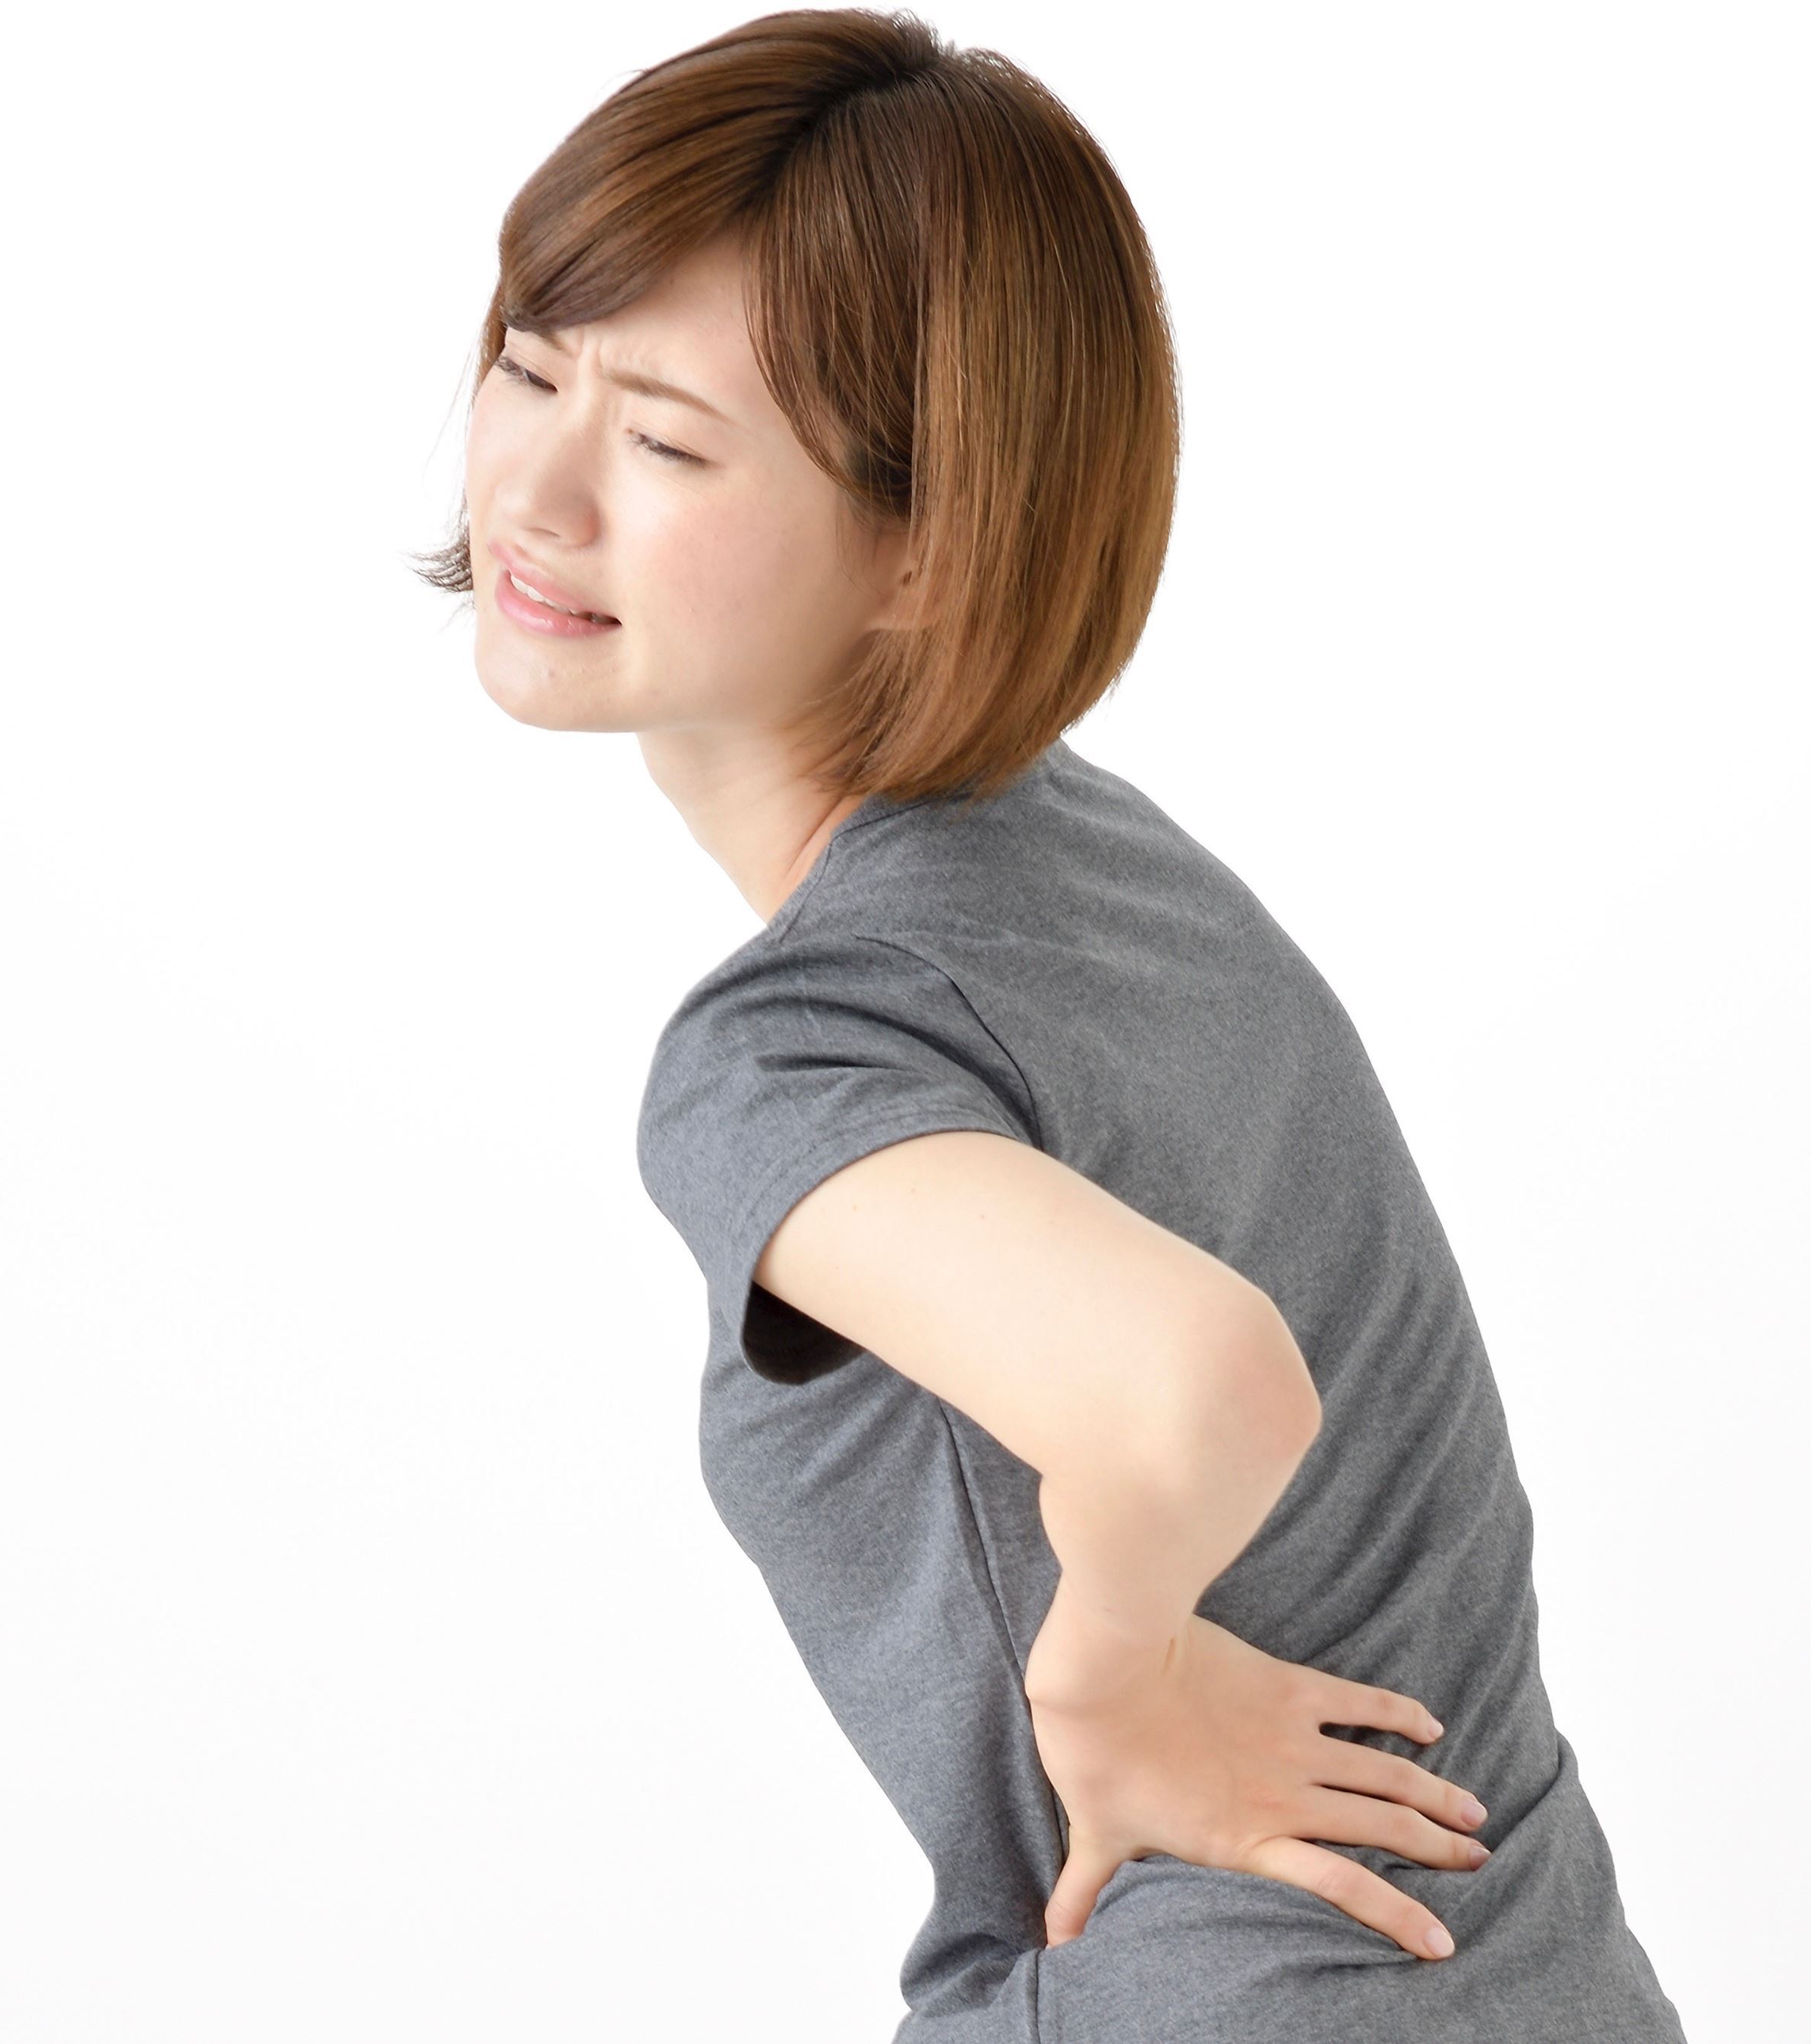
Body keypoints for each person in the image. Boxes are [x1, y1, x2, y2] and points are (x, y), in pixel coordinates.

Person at [417, 11, 1688, 2038]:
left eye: (665, 440)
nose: (536, 490)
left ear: (928, 541)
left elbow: (1200, 1388)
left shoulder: (792, 1052)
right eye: (530, 363)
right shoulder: (1094, 867)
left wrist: (1110, 1684)